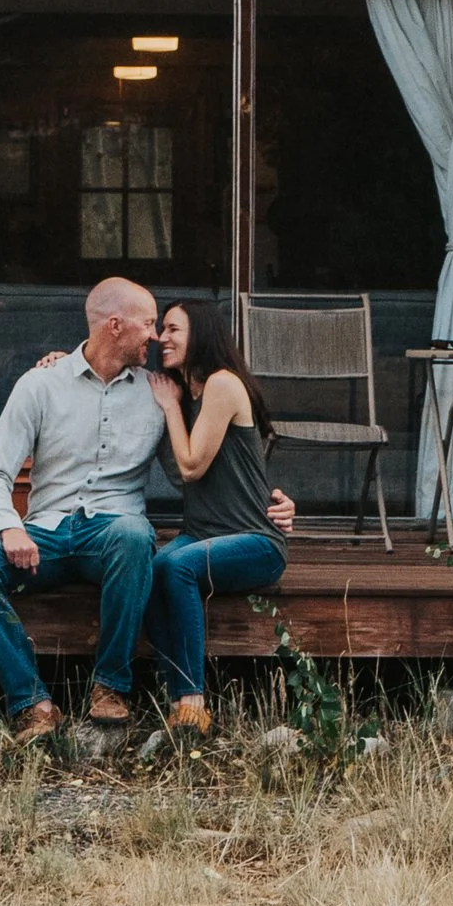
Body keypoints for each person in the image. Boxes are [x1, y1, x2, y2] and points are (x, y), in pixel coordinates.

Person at [0, 276, 167, 740]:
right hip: (44, 533)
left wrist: (262, 504)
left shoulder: (158, 392)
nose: (156, 334)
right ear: (114, 325)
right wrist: (9, 529)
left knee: (134, 535)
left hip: (110, 535)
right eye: (148, 323)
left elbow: (198, 465)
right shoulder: (41, 385)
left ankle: (110, 687)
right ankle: (33, 703)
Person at [143, 297, 297, 734]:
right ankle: (179, 703)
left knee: (178, 564)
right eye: (161, 329)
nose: (161, 338)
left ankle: (194, 700)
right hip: (204, 532)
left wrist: (170, 409)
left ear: (202, 334)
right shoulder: (184, 390)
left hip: (255, 542)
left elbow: (191, 467)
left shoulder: (222, 384)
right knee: (151, 570)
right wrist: (56, 361)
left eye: (173, 329)